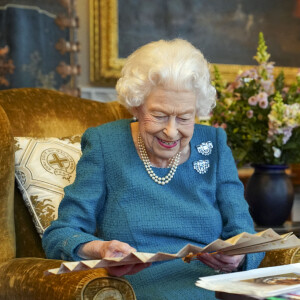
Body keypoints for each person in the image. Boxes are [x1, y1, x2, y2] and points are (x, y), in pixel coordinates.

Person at [42, 39, 264, 299]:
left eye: (184, 118)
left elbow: (245, 234)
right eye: (159, 116)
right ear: (137, 105)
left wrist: (239, 258)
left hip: (217, 291)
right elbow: (59, 235)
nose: (171, 131)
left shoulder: (213, 143)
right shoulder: (105, 144)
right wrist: (100, 248)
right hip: (143, 291)